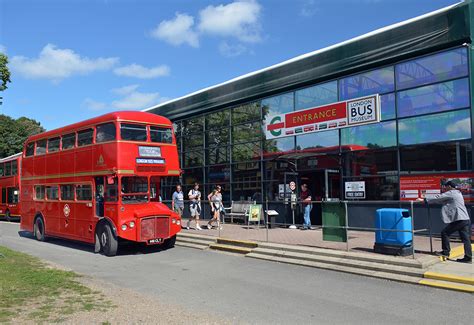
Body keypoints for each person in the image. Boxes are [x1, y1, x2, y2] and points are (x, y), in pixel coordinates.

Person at [421, 181, 472, 263]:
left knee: (445, 233)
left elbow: (439, 197)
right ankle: (468, 257)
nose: (445, 188)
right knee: (466, 239)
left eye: (445, 187)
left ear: (449, 186)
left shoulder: (451, 193)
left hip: (459, 219)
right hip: (465, 218)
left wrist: (425, 200)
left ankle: (445, 252)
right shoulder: (458, 193)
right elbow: (442, 200)